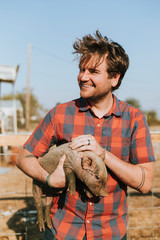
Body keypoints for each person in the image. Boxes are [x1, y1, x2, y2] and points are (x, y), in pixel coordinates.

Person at [16, 30, 155, 240]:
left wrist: (103, 155)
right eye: (81, 69)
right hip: (62, 231)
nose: (83, 77)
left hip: (110, 233)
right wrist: (49, 179)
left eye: (93, 71)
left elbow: (145, 183)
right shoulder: (60, 114)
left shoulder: (134, 119)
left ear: (114, 78)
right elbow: (22, 157)